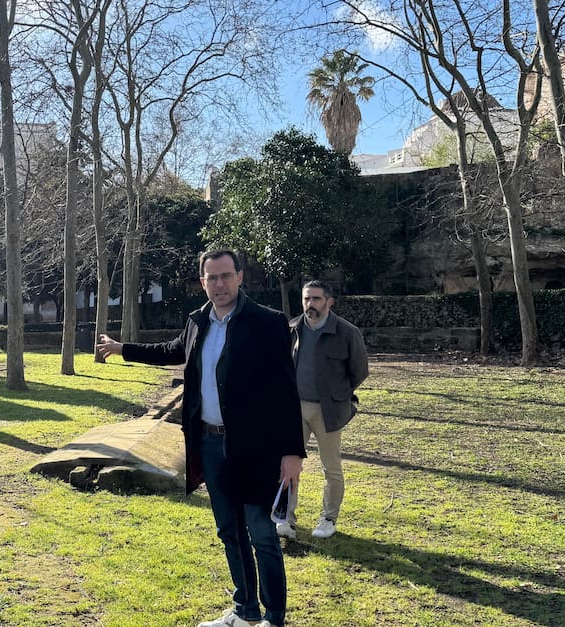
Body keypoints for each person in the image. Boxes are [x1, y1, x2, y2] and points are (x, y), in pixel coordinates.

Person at [96, 249, 304, 627]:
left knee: (261, 535)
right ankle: (245, 610)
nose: (219, 284)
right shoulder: (198, 321)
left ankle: (273, 618)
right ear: (202, 281)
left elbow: (286, 392)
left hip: (256, 448)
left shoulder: (268, 323)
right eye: (212, 277)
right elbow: (172, 351)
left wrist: (292, 452)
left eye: (226, 276)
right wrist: (122, 349)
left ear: (240, 277)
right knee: (229, 531)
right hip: (209, 443)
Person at [277, 280, 369, 541]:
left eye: (316, 299)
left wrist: (338, 395)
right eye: (307, 299)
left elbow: (359, 370)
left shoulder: (347, 332)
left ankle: (328, 518)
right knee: (287, 465)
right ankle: (286, 516)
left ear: (329, 302)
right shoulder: (293, 329)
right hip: (295, 410)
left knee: (331, 468)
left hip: (328, 411)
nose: (310, 304)